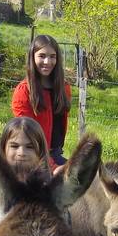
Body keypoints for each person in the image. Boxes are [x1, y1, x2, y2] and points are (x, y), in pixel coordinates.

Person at [11, 34, 73, 166]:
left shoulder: (64, 88)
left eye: (52, 56)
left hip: (55, 153)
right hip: (32, 157)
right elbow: (26, 136)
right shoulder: (24, 91)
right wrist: (53, 167)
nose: (47, 62)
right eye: (42, 56)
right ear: (32, 57)